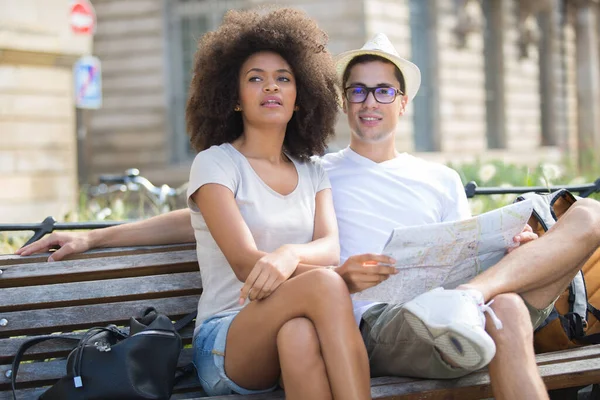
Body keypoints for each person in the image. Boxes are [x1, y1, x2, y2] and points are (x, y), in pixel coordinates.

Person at [18, 32, 600, 399]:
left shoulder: (341, 172)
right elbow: (215, 224)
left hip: (425, 306)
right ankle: (471, 301)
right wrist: (96, 240)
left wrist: (506, 246)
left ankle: (474, 296)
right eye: (358, 91)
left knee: (561, 249)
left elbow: (447, 241)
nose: (369, 101)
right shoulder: (274, 164)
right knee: (316, 298)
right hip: (318, 327)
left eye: (382, 91)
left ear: (402, 101)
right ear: (342, 100)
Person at [36, 8, 375, 400]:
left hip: (289, 328)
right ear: (233, 99)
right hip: (226, 341)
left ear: (301, 98)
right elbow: (246, 263)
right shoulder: (216, 163)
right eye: (255, 79)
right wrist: (93, 240)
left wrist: (285, 254)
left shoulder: (313, 171)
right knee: (326, 281)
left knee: (299, 335)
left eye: (284, 79)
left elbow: (330, 247)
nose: (271, 88)